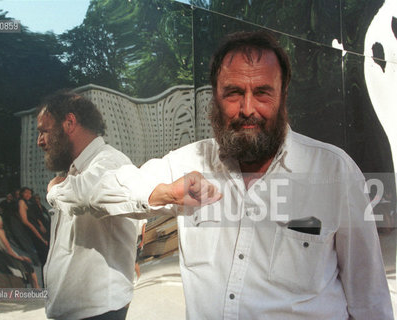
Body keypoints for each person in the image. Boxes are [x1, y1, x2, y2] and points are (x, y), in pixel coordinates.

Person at [64, 31, 393, 319]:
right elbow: (95, 190)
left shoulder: (334, 172)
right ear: (215, 96)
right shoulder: (187, 164)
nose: (248, 108)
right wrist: (163, 193)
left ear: (283, 94)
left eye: (262, 92)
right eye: (233, 93)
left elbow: (369, 301)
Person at [36, 90, 140, 320]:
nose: (39, 141)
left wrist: (54, 190)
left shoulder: (111, 162)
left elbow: (86, 194)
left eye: (44, 131)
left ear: (69, 122)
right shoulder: (74, 171)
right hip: (76, 310)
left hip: (98, 311)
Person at [0, 214, 40, 288]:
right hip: (0, 256)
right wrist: (22, 258)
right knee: (29, 267)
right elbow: (9, 251)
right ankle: (36, 287)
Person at [18, 187, 49, 266]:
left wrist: (41, 225)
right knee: (43, 251)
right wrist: (41, 237)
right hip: (32, 228)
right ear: (22, 193)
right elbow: (25, 221)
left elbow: (35, 216)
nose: (28, 194)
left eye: (30, 193)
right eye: (26, 192)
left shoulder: (30, 203)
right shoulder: (21, 202)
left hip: (37, 226)